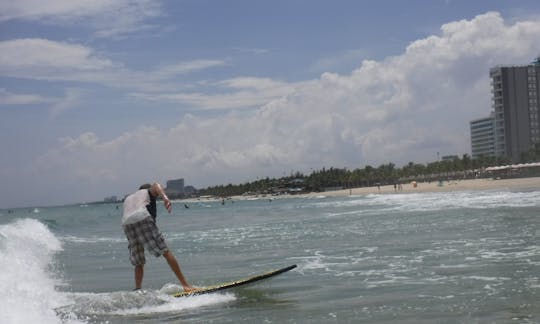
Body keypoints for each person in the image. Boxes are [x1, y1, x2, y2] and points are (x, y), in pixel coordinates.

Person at [122, 182, 195, 292]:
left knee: (139, 261)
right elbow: (156, 184)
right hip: (141, 218)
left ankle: (138, 290)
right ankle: (186, 286)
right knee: (165, 251)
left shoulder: (129, 198)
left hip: (127, 224)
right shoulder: (148, 191)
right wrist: (165, 197)